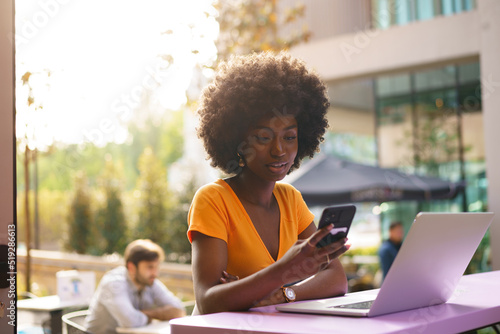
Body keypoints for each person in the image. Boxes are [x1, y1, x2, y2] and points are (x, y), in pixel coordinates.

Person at [187, 51, 350, 315]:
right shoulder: (212, 200)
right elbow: (208, 301)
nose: (279, 150)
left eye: (289, 137)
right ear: (237, 140)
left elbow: (336, 279)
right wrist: (285, 271)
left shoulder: (290, 198)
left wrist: (282, 294)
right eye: (263, 137)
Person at [85, 239, 186, 334]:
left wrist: (145, 314)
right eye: (150, 267)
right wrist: (158, 314)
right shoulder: (113, 283)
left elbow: (179, 310)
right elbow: (130, 321)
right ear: (131, 267)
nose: (155, 273)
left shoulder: (150, 282)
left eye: (157, 267)